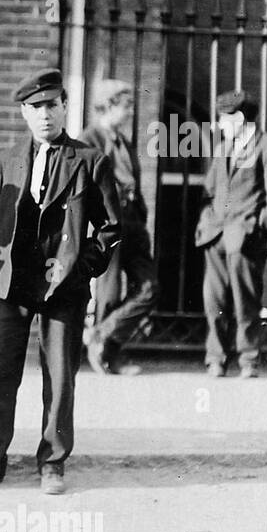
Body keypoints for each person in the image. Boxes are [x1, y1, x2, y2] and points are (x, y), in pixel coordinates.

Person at [0, 68, 121, 496]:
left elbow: (111, 227)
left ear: (65, 107)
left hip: (63, 286)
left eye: (51, 105)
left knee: (61, 375)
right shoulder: (7, 158)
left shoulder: (90, 160)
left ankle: (52, 462)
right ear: (24, 114)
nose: (44, 115)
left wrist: (81, 268)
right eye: (35, 108)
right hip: (12, 284)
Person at [194, 89, 267, 378]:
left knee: (245, 301)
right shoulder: (223, 148)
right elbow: (209, 190)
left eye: (222, 119)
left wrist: (260, 230)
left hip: (246, 236)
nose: (218, 125)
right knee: (214, 301)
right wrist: (205, 221)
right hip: (215, 235)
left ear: (238, 118)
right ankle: (216, 358)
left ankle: (248, 360)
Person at [80, 78, 157, 375]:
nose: (130, 113)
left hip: (133, 223)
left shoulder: (124, 142)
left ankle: (101, 334)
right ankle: (108, 358)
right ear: (109, 105)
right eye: (126, 106)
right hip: (107, 224)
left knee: (150, 288)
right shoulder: (89, 140)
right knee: (109, 292)